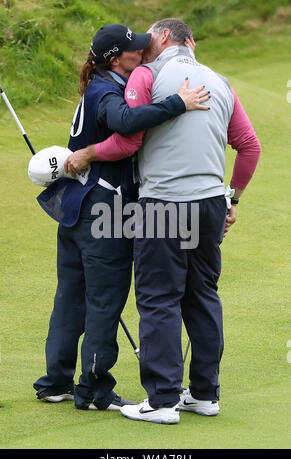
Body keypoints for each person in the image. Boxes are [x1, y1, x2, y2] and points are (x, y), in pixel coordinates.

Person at [66, 18, 261, 424]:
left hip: (163, 205)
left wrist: (86, 154)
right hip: (210, 205)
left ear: (166, 38)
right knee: (203, 296)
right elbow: (249, 146)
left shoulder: (145, 73)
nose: (145, 44)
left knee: (158, 298)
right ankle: (205, 395)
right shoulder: (218, 80)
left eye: (150, 37)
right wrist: (232, 198)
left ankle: (163, 401)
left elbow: (128, 140)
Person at [33, 23, 210, 412]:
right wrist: (179, 102)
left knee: (71, 298)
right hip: (103, 212)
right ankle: (94, 391)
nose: (145, 53)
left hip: (76, 208)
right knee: (103, 302)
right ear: (117, 59)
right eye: (137, 50)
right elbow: (128, 123)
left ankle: (55, 382)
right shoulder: (107, 91)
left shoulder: (96, 86)